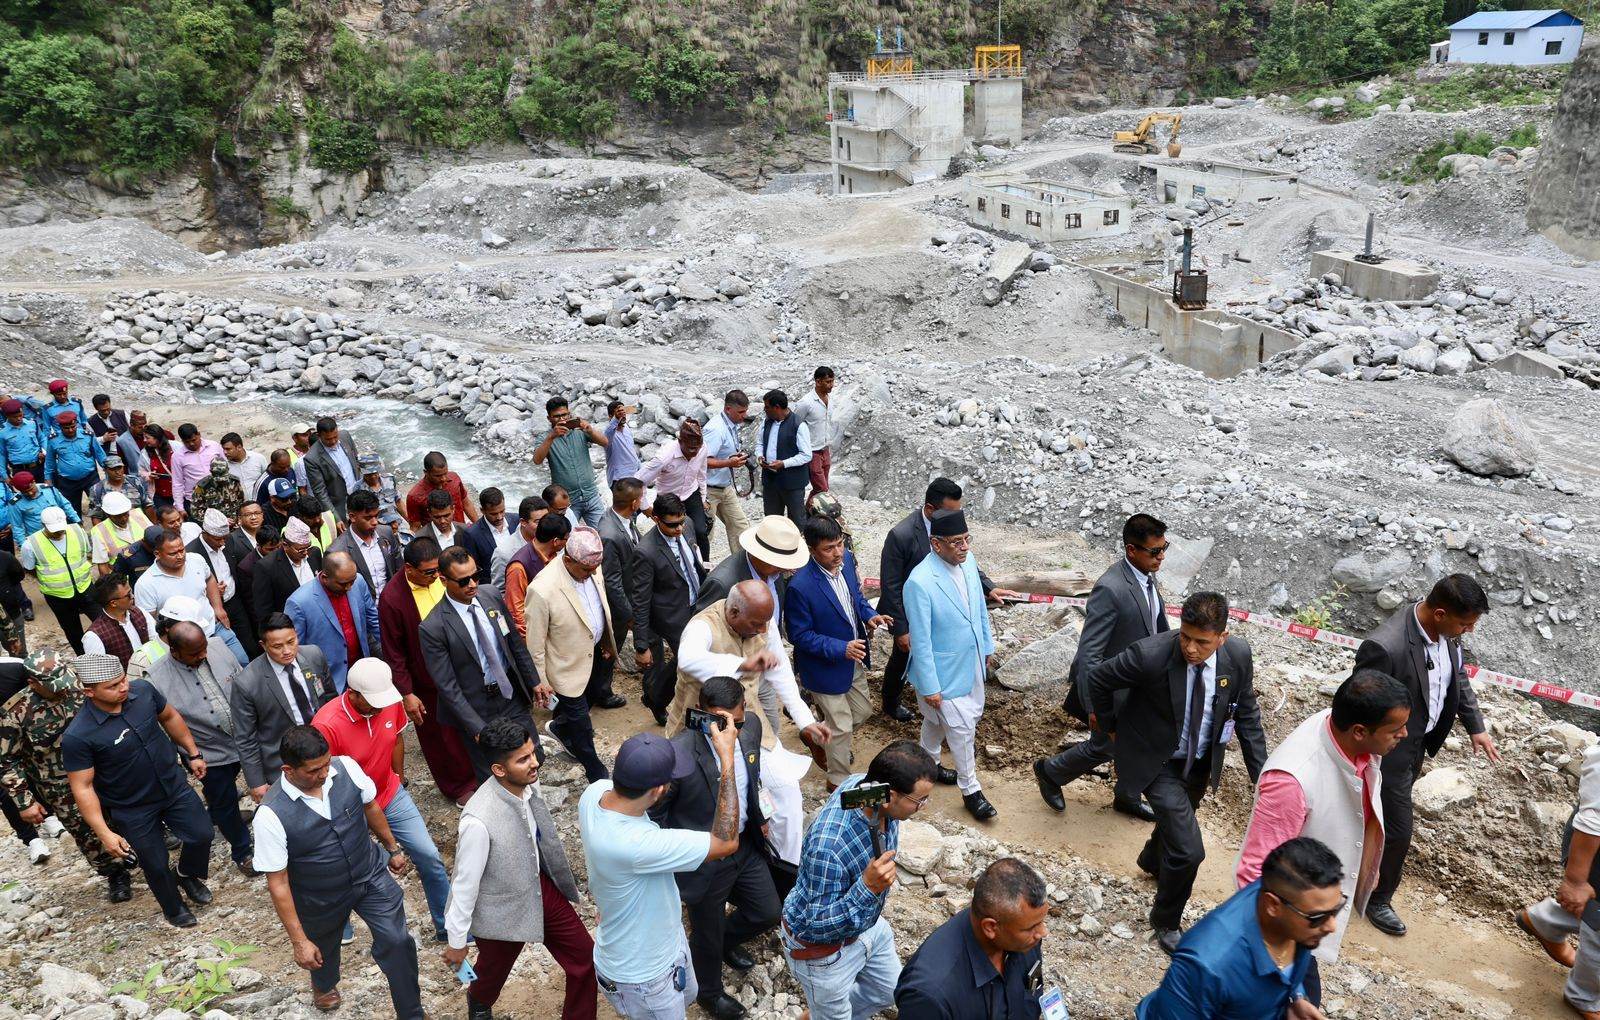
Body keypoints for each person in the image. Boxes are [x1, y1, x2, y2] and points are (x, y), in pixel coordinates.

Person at [1089, 590, 1269, 955]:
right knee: (1189, 851)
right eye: (1185, 636)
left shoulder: (1237, 656)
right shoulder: (1150, 655)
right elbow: (1098, 679)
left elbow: (1247, 714)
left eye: (1202, 642)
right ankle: (1166, 920)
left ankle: (1152, 859)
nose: (1190, 648)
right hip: (1156, 761)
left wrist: (1263, 777)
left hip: (1200, 760)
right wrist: (1108, 725)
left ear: (1223, 638)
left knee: (1178, 821)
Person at [1236, 669, 1409, 1005]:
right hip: (1288, 925)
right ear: (1360, 731)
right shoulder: (1292, 782)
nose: (1404, 734)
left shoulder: (1343, 729)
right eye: (1395, 729)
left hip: (1304, 913)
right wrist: (1280, 968)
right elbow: (1254, 872)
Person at [1353, 572, 1499, 938]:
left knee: (1377, 818)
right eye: (1465, 624)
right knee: (1398, 830)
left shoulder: (1447, 636)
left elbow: (1457, 678)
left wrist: (1476, 726)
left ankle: (1355, 870)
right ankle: (1378, 898)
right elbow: (1360, 702)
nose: (1469, 631)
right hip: (1386, 754)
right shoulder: (1386, 646)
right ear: (1439, 613)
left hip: (1417, 747)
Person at [255, 725, 423, 1017]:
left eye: (326, 764)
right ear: (288, 770)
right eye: (313, 770)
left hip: (369, 874)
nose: (323, 774)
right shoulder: (270, 815)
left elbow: (370, 806)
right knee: (322, 950)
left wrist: (392, 847)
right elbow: (278, 883)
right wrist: (299, 942)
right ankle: (323, 983)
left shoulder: (345, 768)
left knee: (398, 941)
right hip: (318, 895)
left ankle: (412, 1013)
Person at [580, 728, 743, 1019]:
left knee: (687, 995)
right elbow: (726, 842)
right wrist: (727, 760)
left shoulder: (594, 794)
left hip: (656, 944)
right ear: (657, 791)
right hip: (645, 975)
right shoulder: (637, 845)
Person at [444, 715, 596, 1020]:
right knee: (492, 970)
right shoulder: (477, 821)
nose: (534, 763)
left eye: (532, 753)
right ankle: (478, 1000)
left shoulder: (526, 781)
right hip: (500, 906)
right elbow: (464, 884)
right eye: (523, 759)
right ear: (499, 769)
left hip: (539, 887)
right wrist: (457, 943)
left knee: (585, 958)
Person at [672, 580, 827, 871]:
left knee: (787, 790)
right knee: (701, 796)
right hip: (699, 727)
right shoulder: (703, 625)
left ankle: (786, 869)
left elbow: (780, 674)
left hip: (750, 722)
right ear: (733, 612)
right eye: (756, 623)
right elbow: (688, 660)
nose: (762, 630)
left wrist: (806, 722)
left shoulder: (762, 626)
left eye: (766, 623)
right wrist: (741, 664)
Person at [650, 677, 777, 1019]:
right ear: (702, 712)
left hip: (744, 844)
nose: (726, 730)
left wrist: (760, 814)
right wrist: (670, 860)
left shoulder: (750, 730)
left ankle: (726, 942)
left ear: (743, 712)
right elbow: (657, 815)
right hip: (703, 857)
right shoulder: (677, 754)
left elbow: (754, 777)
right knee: (705, 931)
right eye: (717, 721)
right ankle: (708, 992)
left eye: (733, 721)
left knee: (767, 911)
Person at [782, 740, 936, 1020]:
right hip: (823, 954)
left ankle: (819, 1014)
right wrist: (867, 889)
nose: (923, 807)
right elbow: (813, 925)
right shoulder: (829, 847)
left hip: (868, 927)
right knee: (833, 1014)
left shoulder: (864, 788)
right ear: (890, 796)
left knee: (888, 991)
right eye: (920, 801)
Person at [63, 653, 215, 927]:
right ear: (88, 691)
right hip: (132, 808)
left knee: (202, 834)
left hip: (172, 786)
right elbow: (82, 787)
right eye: (112, 686)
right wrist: (105, 833)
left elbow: (169, 716)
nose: (123, 688)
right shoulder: (78, 735)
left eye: (123, 680)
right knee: (154, 863)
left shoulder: (142, 692)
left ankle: (186, 873)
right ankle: (173, 908)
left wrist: (193, 753)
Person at [1036, 513, 1170, 823]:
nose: (1161, 557)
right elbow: (1089, 654)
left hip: (1138, 686)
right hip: (1113, 690)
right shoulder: (1111, 589)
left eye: (1164, 549)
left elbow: (1154, 628)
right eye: (1154, 551)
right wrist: (1094, 705)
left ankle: (1127, 796)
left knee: (1134, 743)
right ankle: (1051, 772)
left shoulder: (1146, 576)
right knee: (1106, 745)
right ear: (1131, 550)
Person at [312, 658, 452, 940]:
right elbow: (322, 776)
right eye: (371, 701)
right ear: (352, 694)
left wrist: (398, 776)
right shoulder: (326, 725)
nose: (379, 706)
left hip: (389, 792)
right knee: (343, 869)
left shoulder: (388, 701)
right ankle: (339, 926)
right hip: (348, 807)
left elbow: (397, 739)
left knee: (429, 857)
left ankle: (447, 926)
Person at [1138, 838, 1340, 1020]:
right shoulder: (1206, 965)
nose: (1332, 926)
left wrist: (1295, 997)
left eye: (1336, 909)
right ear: (1273, 906)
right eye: (1318, 917)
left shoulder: (1294, 907)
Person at [0, 650, 133, 902]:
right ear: (33, 684)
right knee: (86, 832)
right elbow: (6, 761)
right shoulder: (16, 713)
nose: (62, 689)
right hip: (61, 786)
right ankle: (115, 873)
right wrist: (24, 802)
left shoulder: (82, 685)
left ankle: (148, 848)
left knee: (128, 809)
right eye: (53, 687)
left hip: (105, 767)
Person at [877, 478, 1014, 722]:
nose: (955, 517)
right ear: (930, 509)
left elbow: (967, 562)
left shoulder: (953, 531)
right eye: (950, 512)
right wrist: (901, 629)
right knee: (902, 658)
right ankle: (891, 701)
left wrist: (989, 588)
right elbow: (891, 585)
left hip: (941, 608)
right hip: (910, 612)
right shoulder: (902, 535)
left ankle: (941, 692)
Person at [422, 546, 549, 781]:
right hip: (477, 707)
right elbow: (447, 686)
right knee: (493, 772)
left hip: (509, 695)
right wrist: (475, 727)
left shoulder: (489, 595)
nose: (472, 584)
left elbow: (513, 643)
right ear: (442, 580)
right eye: (463, 581)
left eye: (475, 576)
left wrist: (534, 680)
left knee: (533, 755)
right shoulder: (433, 627)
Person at [904, 508, 999, 821]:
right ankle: (971, 789)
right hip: (942, 673)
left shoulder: (968, 561)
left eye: (967, 540)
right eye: (956, 542)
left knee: (933, 724)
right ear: (936, 544)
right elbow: (921, 640)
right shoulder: (919, 582)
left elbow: (978, 609)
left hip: (969, 661)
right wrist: (930, 686)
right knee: (961, 729)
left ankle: (925, 767)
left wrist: (986, 646)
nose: (964, 547)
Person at [786, 515, 892, 789]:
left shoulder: (845, 566)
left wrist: (870, 615)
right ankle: (838, 781)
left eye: (839, 545)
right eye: (828, 549)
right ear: (811, 550)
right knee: (842, 725)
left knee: (863, 711)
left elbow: (855, 599)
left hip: (852, 660)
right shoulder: (800, 586)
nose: (837, 553)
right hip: (823, 667)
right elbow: (799, 635)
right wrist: (840, 647)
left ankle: (818, 736)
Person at [147, 621, 255, 874]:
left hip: (247, 738)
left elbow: (243, 682)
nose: (203, 655)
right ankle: (242, 851)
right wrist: (191, 754)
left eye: (203, 648)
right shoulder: (157, 677)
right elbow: (166, 723)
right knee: (224, 800)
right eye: (194, 653)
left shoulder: (218, 646)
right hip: (208, 752)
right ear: (174, 651)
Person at [377, 536, 477, 805]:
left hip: (460, 668)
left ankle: (479, 772)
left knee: (469, 723)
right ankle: (458, 787)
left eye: (438, 571)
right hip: (426, 679)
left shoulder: (442, 579)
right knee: (439, 735)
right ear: (409, 569)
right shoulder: (393, 598)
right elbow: (393, 652)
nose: (435, 577)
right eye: (429, 572)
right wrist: (407, 693)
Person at [895, 857, 1050, 1019]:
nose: (1043, 932)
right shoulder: (931, 995)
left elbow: (1032, 996)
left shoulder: (1023, 939)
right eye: (1031, 927)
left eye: (1041, 922)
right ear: (990, 927)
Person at [1515, 739, 1600, 1015]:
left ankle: (1545, 921)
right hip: (1593, 848)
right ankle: (1584, 995)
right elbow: (1592, 820)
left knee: (1594, 913)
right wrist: (1576, 881)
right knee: (1598, 923)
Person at [524, 527, 613, 781]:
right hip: (564, 667)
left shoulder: (591, 566)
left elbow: (599, 606)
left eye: (596, 568)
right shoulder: (542, 589)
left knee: (592, 698)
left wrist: (606, 640)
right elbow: (535, 643)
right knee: (582, 724)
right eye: (586, 570)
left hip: (594, 655)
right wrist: (539, 680)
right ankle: (596, 773)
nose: (593, 574)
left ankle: (559, 726)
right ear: (567, 560)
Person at [229, 613, 335, 800]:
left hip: (325, 751)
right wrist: (257, 782)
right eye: (277, 646)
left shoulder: (313, 655)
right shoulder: (247, 683)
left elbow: (330, 699)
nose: (287, 651)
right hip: (283, 764)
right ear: (263, 645)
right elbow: (245, 738)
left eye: (291, 641)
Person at [630, 492, 706, 725]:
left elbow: (696, 561)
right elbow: (640, 600)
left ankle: (656, 696)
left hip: (698, 605)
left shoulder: (688, 525)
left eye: (682, 522)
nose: (679, 529)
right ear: (656, 519)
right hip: (672, 617)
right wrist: (641, 645)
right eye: (672, 525)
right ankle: (686, 713)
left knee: (685, 662)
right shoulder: (646, 552)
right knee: (693, 667)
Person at [134, 530, 247, 664]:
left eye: (182, 550)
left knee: (242, 662)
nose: (180, 556)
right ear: (157, 554)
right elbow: (148, 621)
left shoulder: (196, 560)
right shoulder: (146, 584)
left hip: (215, 628)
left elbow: (209, 578)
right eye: (173, 553)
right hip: (187, 647)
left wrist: (218, 607)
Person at [285, 550, 379, 694]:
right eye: (343, 584)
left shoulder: (358, 581)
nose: (349, 587)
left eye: (351, 582)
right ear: (325, 577)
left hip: (362, 670)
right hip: (330, 681)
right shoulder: (299, 602)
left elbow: (374, 621)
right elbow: (297, 649)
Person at [593, 477, 644, 711]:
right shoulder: (610, 534)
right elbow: (612, 581)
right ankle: (601, 693)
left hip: (626, 597)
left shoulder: (620, 519)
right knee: (608, 649)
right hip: (616, 608)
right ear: (633, 503)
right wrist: (628, 614)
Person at [20, 505, 96, 653]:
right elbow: (29, 568)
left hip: (85, 587)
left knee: (102, 621)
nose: (59, 532)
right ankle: (84, 660)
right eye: (54, 530)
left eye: (61, 528)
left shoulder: (78, 531)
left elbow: (85, 554)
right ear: (43, 525)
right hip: (58, 596)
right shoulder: (30, 544)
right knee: (73, 632)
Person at [641, 419, 711, 561]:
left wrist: (703, 498)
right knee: (670, 535)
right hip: (667, 499)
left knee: (700, 532)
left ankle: (705, 569)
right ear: (680, 442)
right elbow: (639, 480)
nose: (695, 453)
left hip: (691, 493)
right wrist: (645, 507)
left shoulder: (703, 448)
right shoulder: (664, 456)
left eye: (697, 448)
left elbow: (702, 473)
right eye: (690, 448)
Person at [534, 396, 608, 527]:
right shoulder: (545, 437)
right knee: (567, 537)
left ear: (569, 413)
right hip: (566, 502)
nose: (562, 419)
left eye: (565, 415)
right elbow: (537, 460)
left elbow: (605, 442)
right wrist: (551, 437)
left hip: (591, 495)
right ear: (549, 418)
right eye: (557, 416)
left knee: (603, 533)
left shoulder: (579, 431)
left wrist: (590, 430)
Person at [189, 508, 251, 653]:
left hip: (235, 602)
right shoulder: (192, 553)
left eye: (225, 537)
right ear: (205, 534)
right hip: (213, 610)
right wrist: (211, 591)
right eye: (218, 539)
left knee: (249, 644)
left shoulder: (228, 540)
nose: (223, 543)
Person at [701, 390, 753, 557]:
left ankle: (744, 567)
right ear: (728, 409)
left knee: (740, 527)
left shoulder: (730, 424)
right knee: (706, 533)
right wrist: (729, 463)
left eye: (745, 411)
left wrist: (734, 457)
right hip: (709, 490)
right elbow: (703, 461)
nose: (744, 416)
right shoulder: (716, 429)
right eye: (741, 412)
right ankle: (701, 573)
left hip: (724, 487)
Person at [505, 512, 569, 639]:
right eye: (566, 539)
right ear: (556, 541)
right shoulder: (519, 567)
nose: (568, 542)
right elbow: (517, 613)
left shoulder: (555, 555)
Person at [328, 488, 402, 598]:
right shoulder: (337, 551)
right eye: (368, 518)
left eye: (376, 516)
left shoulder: (386, 533)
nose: (375, 522)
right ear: (352, 517)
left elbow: (399, 570)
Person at [251, 517, 322, 627]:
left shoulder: (314, 553)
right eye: (300, 550)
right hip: (290, 626)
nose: (306, 553)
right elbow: (264, 609)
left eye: (307, 547)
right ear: (285, 545)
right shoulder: (266, 567)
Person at [756, 389, 810, 524]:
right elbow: (760, 443)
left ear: (777, 408)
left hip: (792, 483)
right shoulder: (766, 422)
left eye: (767, 407)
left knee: (797, 520)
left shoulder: (799, 425)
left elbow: (806, 455)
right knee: (772, 520)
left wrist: (784, 463)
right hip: (771, 481)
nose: (765, 410)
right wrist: (759, 456)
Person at [81, 573, 156, 668]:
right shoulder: (93, 637)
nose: (132, 596)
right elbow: (100, 675)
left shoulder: (141, 613)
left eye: (131, 591)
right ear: (113, 603)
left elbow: (155, 643)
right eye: (128, 595)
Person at [44, 411, 106, 517]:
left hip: (90, 478)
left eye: (73, 426)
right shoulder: (53, 440)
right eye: (66, 428)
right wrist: (48, 480)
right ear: (60, 427)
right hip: (67, 482)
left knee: (99, 506)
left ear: (77, 423)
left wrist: (108, 471)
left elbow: (100, 455)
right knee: (72, 511)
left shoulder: (88, 436)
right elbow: (50, 462)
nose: (70, 430)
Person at [301, 417, 360, 524]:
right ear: (319, 436)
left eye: (335, 437)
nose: (333, 441)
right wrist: (335, 518)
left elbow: (356, 459)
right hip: (340, 507)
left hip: (359, 494)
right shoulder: (312, 458)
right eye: (328, 439)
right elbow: (320, 492)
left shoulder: (345, 436)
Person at [792, 366, 835, 501]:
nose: (831, 385)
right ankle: (809, 515)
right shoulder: (806, 402)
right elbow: (794, 425)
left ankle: (811, 515)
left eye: (832, 381)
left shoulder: (829, 399)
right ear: (818, 382)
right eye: (828, 382)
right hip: (812, 452)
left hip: (825, 449)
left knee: (822, 487)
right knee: (822, 488)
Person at [405, 450, 478, 528]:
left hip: (461, 533)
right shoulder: (414, 496)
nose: (443, 479)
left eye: (445, 473)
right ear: (426, 472)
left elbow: (466, 503)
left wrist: (479, 527)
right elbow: (415, 527)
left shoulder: (455, 478)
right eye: (438, 476)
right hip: (436, 538)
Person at [489, 495, 550, 588]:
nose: (545, 525)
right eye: (538, 522)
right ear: (523, 522)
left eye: (547, 520)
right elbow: (499, 592)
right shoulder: (504, 553)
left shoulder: (553, 539)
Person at [461, 486, 516, 586]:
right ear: (482, 510)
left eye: (502, 511)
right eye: (494, 514)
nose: (499, 517)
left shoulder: (517, 520)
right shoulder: (472, 534)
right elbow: (474, 569)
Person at [6, 469, 80, 539]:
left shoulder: (49, 489)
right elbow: (17, 527)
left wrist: (77, 521)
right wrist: (23, 545)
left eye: (31, 489)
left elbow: (65, 505)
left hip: (60, 532)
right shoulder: (15, 503)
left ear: (34, 482)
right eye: (25, 492)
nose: (30, 493)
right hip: (38, 538)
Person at [169, 424, 224, 512]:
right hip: (196, 502)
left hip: (220, 496)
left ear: (199, 434)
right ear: (182, 441)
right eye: (187, 442)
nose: (191, 444)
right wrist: (180, 508)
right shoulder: (177, 457)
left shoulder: (214, 446)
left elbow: (227, 467)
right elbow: (177, 483)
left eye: (194, 440)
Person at [88, 459, 151, 526]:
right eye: (112, 469)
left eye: (119, 468)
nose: (117, 472)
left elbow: (147, 505)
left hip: (138, 524)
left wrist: (153, 525)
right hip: (113, 528)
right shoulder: (97, 489)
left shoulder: (134, 481)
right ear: (105, 470)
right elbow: (96, 516)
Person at [356, 450, 407, 533]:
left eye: (375, 473)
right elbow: (361, 518)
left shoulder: (389, 479)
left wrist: (411, 523)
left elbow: (398, 501)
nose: (373, 477)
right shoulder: (358, 490)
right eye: (369, 474)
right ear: (360, 470)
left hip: (397, 524)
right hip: (376, 530)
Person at [188, 456, 244, 525]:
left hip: (235, 524)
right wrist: (218, 520)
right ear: (211, 471)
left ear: (228, 469)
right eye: (217, 476)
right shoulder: (200, 487)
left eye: (223, 475)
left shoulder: (235, 481)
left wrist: (239, 519)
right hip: (214, 527)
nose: (221, 481)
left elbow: (241, 502)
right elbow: (195, 511)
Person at [0, 398, 44, 479]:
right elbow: (2, 455)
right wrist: (5, 476)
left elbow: (42, 439)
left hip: (39, 466)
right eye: (14, 417)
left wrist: (44, 452)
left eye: (20, 415)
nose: (19, 418)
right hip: (20, 471)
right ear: (7, 416)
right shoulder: (2, 432)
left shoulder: (32, 423)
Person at [603, 399, 642, 486]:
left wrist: (640, 467)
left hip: (635, 475)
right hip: (620, 480)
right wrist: (616, 419)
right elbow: (608, 434)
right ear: (610, 416)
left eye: (623, 413)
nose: (622, 416)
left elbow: (631, 450)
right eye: (618, 414)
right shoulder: (608, 433)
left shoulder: (626, 428)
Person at [138, 424, 177, 511]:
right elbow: (141, 471)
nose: (144, 440)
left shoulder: (175, 447)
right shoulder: (145, 453)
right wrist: (149, 475)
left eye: (147, 438)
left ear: (156, 437)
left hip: (179, 492)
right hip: (160, 495)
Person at [221, 432, 268, 499]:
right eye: (223, 449)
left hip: (260, 503)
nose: (225, 452)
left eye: (228, 449)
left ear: (239, 447)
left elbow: (267, 479)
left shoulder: (258, 459)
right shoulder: (224, 466)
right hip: (240, 507)